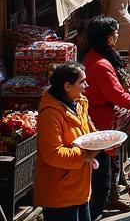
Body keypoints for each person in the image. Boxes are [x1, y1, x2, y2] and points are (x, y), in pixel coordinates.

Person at [84, 15, 130, 215]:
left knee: (107, 163)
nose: (117, 36)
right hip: (103, 117)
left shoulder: (95, 57)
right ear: (108, 38)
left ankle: (113, 193)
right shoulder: (101, 65)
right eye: (115, 33)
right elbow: (118, 96)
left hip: (104, 112)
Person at [34, 62, 100, 221]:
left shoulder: (80, 103)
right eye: (82, 82)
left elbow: (89, 131)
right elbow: (53, 154)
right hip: (60, 196)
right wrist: (85, 155)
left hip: (80, 190)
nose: (87, 85)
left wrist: (104, 142)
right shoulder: (50, 115)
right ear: (67, 86)